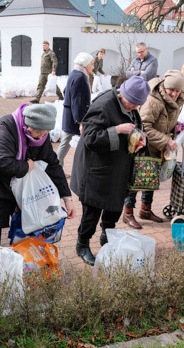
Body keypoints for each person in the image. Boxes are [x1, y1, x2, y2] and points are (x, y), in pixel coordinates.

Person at [0, 103, 76, 252]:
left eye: (45, 134)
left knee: (23, 220)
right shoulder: (5, 128)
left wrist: (67, 198)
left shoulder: (40, 134)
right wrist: (26, 167)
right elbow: (1, 162)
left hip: (10, 183)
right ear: (28, 126)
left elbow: (52, 164)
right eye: (38, 133)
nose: (41, 137)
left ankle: (17, 259)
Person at [70, 76, 150, 265]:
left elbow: (135, 125)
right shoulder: (104, 105)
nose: (134, 108)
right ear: (123, 93)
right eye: (132, 103)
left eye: (138, 105)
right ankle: (82, 244)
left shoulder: (130, 106)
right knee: (92, 211)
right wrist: (117, 130)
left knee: (114, 208)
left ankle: (108, 237)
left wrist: (140, 137)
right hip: (96, 170)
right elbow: (89, 137)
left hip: (118, 169)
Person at [123, 70, 184, 229]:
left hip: (159, 148)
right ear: (165, 86)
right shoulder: (154, 100)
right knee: (137, 180)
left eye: (177, 90)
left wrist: (176, 128)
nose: (174, 93)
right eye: (171, 89)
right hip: (144, 147)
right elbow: (144, 127)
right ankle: (127, 213)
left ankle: (146, 210)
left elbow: (165, 120)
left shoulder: (177, 99)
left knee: (152, 179)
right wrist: (166, 139)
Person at [57, 52, 94, 168]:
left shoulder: (74, 73)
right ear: (85, 64)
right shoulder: (80, 77)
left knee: (66, 142)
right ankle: (56, 168)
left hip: (70, 113)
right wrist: (80, 121)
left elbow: (66, 91)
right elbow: (77, 101)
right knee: (66, 143)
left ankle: (57, 167)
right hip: (75, 115)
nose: (93, 66)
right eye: (92, 64)